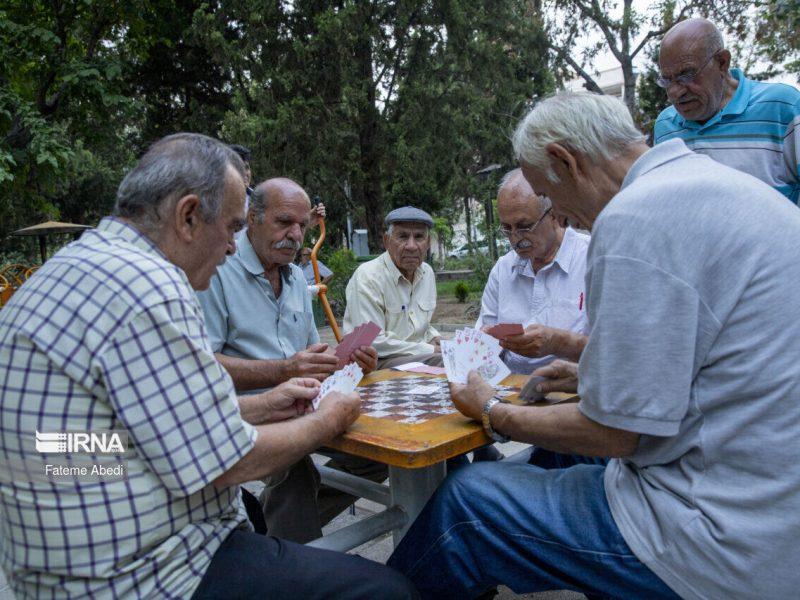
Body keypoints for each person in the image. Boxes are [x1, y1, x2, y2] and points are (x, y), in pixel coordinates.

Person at [388, 92, 800, 599]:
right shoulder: (718, 186)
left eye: (547, 197)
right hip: (772, 507)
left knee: (468, 500)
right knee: (553, 459)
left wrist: (493, 411)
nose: (558, 214)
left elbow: (615, 435)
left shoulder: (634, 217)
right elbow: (717, 360)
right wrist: (590, 375)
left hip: (718, 539)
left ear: (566, 161)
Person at [0, 133, 415, 599]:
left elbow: (113, 437)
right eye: (232, 226)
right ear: (189, 216)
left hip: (57, 550)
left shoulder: (73, 268)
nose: (233, 247)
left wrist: (265, 405)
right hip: (139, 571)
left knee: (265, 520)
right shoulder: (152, 284)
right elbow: (228, 460)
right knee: (387, 591)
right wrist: (329, 417)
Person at [196, 176, 383, 543]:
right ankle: (296, 563)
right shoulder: (218, 272)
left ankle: (276, 532)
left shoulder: (297, 277)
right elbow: (200, 367)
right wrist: (282, 371)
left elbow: (310, 355)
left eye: (302, 225)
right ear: (253, 218)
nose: (296, 234)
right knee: (293, 465)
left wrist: (351, 361)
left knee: (382, 450)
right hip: (249, 413)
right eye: (284, 222)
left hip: (306, 402)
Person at [654, 17, 800, 203]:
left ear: (722, 62)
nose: (675, 92)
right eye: (667, 80)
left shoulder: (783, 107)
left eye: (687, 75)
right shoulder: (665, 126)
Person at [477, 168, 589, 374]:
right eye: (506, 228)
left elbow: (618, 351)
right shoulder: (503, 269)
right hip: (510, 386)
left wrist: (558, 343)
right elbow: (482, 344)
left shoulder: (591, 260)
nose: (515, 239)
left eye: (524, 226)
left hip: (574, 389)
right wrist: (484, 342)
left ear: (555, 214)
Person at [344, 206, 442, 369]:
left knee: (464, 356)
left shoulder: (427, 273)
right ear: (387, 241)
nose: (411, 246)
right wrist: (432, 350)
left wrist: (436, 338)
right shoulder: (368, 276)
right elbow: (373, 342)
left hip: (415, 357)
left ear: (428, 244)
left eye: (419, 237)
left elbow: (418, 324)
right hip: (376, 362)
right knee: (445, 362)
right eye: (403, 236)